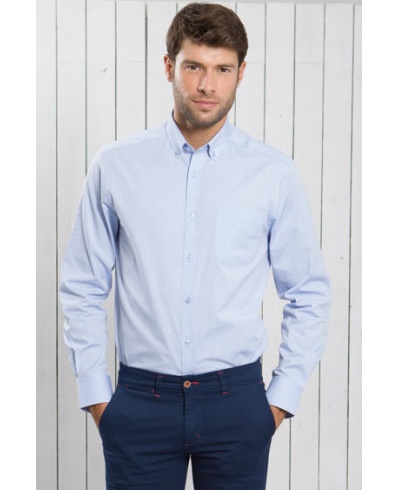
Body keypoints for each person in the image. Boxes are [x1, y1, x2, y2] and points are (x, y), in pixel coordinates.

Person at [59, 3, 331, 489]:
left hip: (238, 403)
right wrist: (99, 399)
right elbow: (82, 286)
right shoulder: (115, 166)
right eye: (194, 67)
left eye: (222, 69)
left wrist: (277, 402)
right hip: (140, 403)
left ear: (241, 74)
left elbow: (307, 293)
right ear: (169, 67)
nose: (207, 85)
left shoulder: (273, 174)